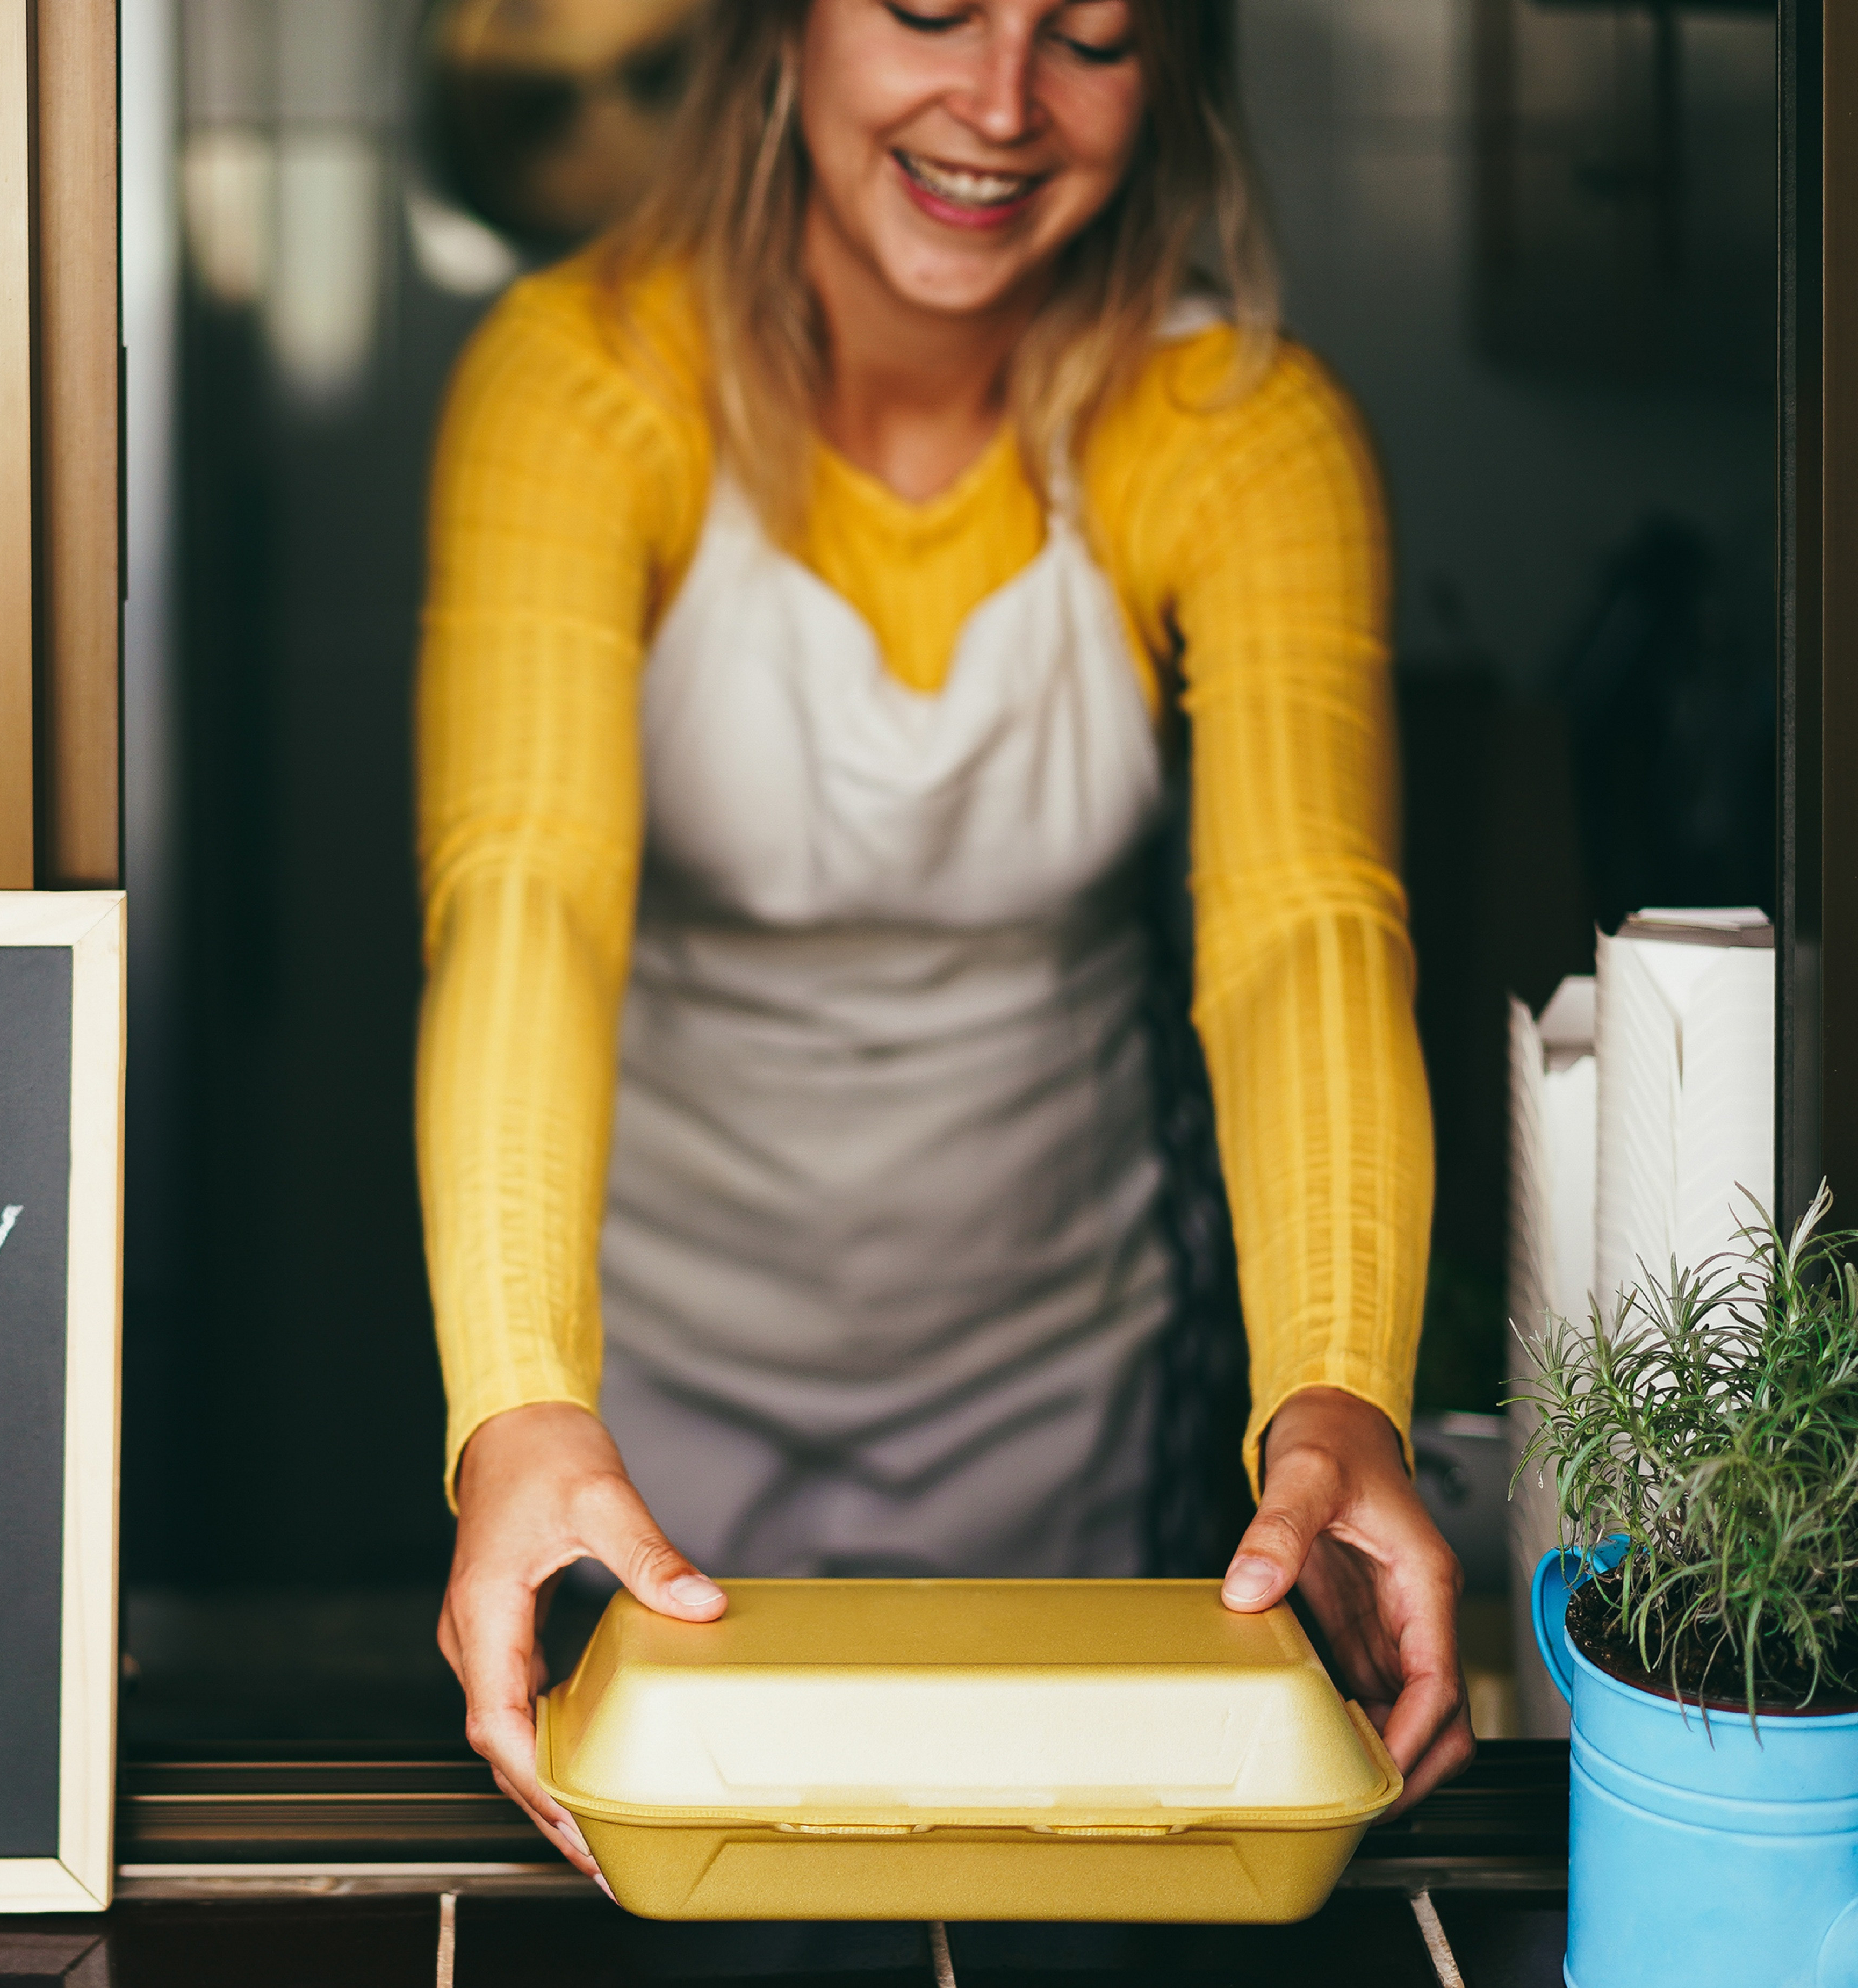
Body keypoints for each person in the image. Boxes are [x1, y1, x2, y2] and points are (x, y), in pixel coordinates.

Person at [415, 0, 1473, 1886]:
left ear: (1173, 79)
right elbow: (528, 898)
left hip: (1062, 1358)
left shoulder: (1240, 429)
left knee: (1047, 1890)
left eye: (1090, 38)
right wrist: (516, 1401)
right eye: (928, 8)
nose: (999, 105)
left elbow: (1305, 928)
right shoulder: (580, 379)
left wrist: (1338, 1386)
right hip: (647, 1385)